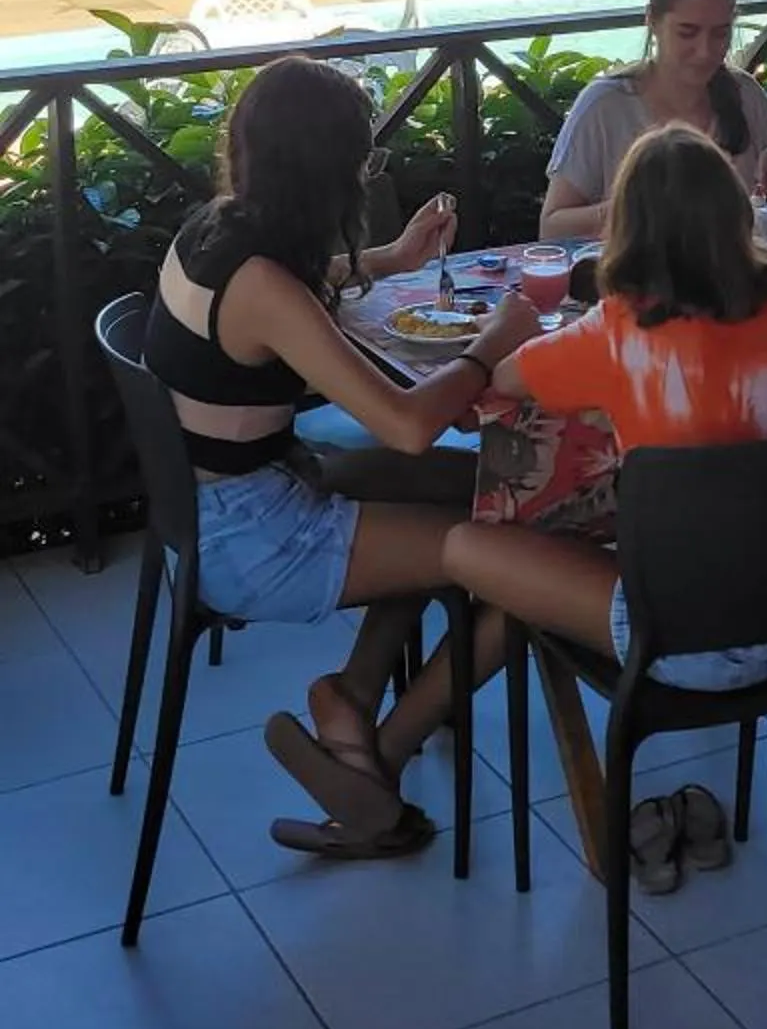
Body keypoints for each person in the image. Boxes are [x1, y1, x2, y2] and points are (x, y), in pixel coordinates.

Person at [145, 55, 539, 858]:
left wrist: (390, 260)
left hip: (207, 508)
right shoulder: (263, 280)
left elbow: (280, 300)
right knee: (522, 552)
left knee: (459, 505)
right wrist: (491, 347)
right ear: (328, 170)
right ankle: (379, 761)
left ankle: (350, 702)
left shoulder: (216, 227)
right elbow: (404, 426)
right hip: (254, 539)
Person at [439, 122, 767, 702]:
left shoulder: (618, 331)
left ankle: (395, 737)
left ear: (626, 231)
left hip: (685, 646)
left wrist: (496, 332)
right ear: (738, 215)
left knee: (468, 545)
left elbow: (506, 378)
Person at [540, 0, 767, 241]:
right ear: (652, 21)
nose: (705, 51)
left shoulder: (745, 95)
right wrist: (633, 208)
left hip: (735, 281)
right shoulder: (605, 106)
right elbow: (552, 227)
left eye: (720, 33)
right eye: (687, 32)